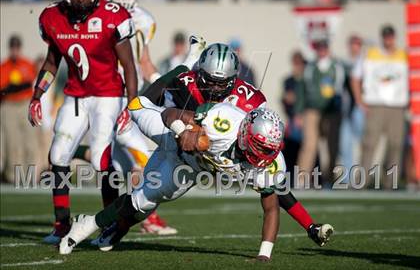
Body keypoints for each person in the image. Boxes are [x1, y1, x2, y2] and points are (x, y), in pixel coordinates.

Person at [91, 43, 328, 250]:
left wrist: (308, 225)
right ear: (199, 72)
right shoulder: (187, 82)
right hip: (174, 142)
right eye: (211, 81)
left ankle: (108, 227)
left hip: (202, 163)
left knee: (147, 199)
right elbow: (159, 106)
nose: (215, 88)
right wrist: (181, 125)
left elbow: (275, 188)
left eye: (221, 82)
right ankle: (112, 229)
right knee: (144, 197)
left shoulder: (249, 102)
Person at [59, 104, 334, 259]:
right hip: (170, 136)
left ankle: (87, 224)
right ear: (245, 134)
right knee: (136, 107)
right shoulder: (223, 122)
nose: (262, 157)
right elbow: (172, 114)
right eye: (259, 148)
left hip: (185, 168)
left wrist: (265, 254)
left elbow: (273, 205)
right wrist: (184, 132)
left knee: (140, 203)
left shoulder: (267, 163)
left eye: (267, 151)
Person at [28, 0, 138, 244]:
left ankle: (110, 222)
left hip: (108, 96)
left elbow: (129, 65)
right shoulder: (53, 18)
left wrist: (131, 104)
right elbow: (52, 62)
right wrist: (37, 95)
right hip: (76, 96)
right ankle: (61, 224)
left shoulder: (113, 17)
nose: (79, 2)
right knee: (58, 156)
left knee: (102, 158)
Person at [73, 0, 177, 236]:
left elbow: (143, 61)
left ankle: (113, 219)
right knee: (140, 160)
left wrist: (167, 87)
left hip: (131, 98)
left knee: (118, 163)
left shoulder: (143, 19)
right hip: (106, 97)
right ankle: (138, 218)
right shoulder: (94, 16)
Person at [352, 25, 408, 189]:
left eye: (390, 36)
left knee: (396, 145)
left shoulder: (403, 55)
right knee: (369, 144)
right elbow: (355, 77)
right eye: (385, 36)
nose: (388, 40)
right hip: (375, 105)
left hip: (397, 106)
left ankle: (391, 183)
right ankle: (360, 182)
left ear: (394, 37)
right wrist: (359, 100)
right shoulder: (371, 54)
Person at [296, 39, 346, 187]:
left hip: (331, 112)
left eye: (324, 48)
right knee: (309, 145)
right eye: (320, 48)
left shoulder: (337, 66)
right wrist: (299, 112)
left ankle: (330, 179)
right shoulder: (310, 67)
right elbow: (302, 91)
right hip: (312, 110)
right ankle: (302, 180)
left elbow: (340, 89)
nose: (322, 51)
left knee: (331, 146)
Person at [0, 35, 37, 183]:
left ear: (19, 48)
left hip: (24, 104)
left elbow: (29, 83)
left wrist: (14, 87)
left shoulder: (27, 64)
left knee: (30, 141)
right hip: (9, 106)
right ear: (10, 48)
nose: (15, 50)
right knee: (12, 143)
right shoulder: (4, 66)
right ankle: (13, 177)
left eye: (17, 47)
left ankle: (31, 176)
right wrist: (15, 87)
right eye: (12, 47)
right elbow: (4, 89)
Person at [339, 35, 365, 183]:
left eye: (357, 44)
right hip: (347, 109)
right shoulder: (344, 63)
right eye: (353, 44)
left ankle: (363, 178)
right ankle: (347, 179)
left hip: (360, 108)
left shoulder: (366, 62)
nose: (355, 47)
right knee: (345, 144)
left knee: (364, 144)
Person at [281, 51, 306, 179]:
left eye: (299, 63)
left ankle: (310, 178)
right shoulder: (289, 80)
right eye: (295, 63)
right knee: (289, 148)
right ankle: (288, 176)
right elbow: (286, 99)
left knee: (307, 149)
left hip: (304, 119)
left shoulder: (306, 80)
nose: (297, 66)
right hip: (292, 119)